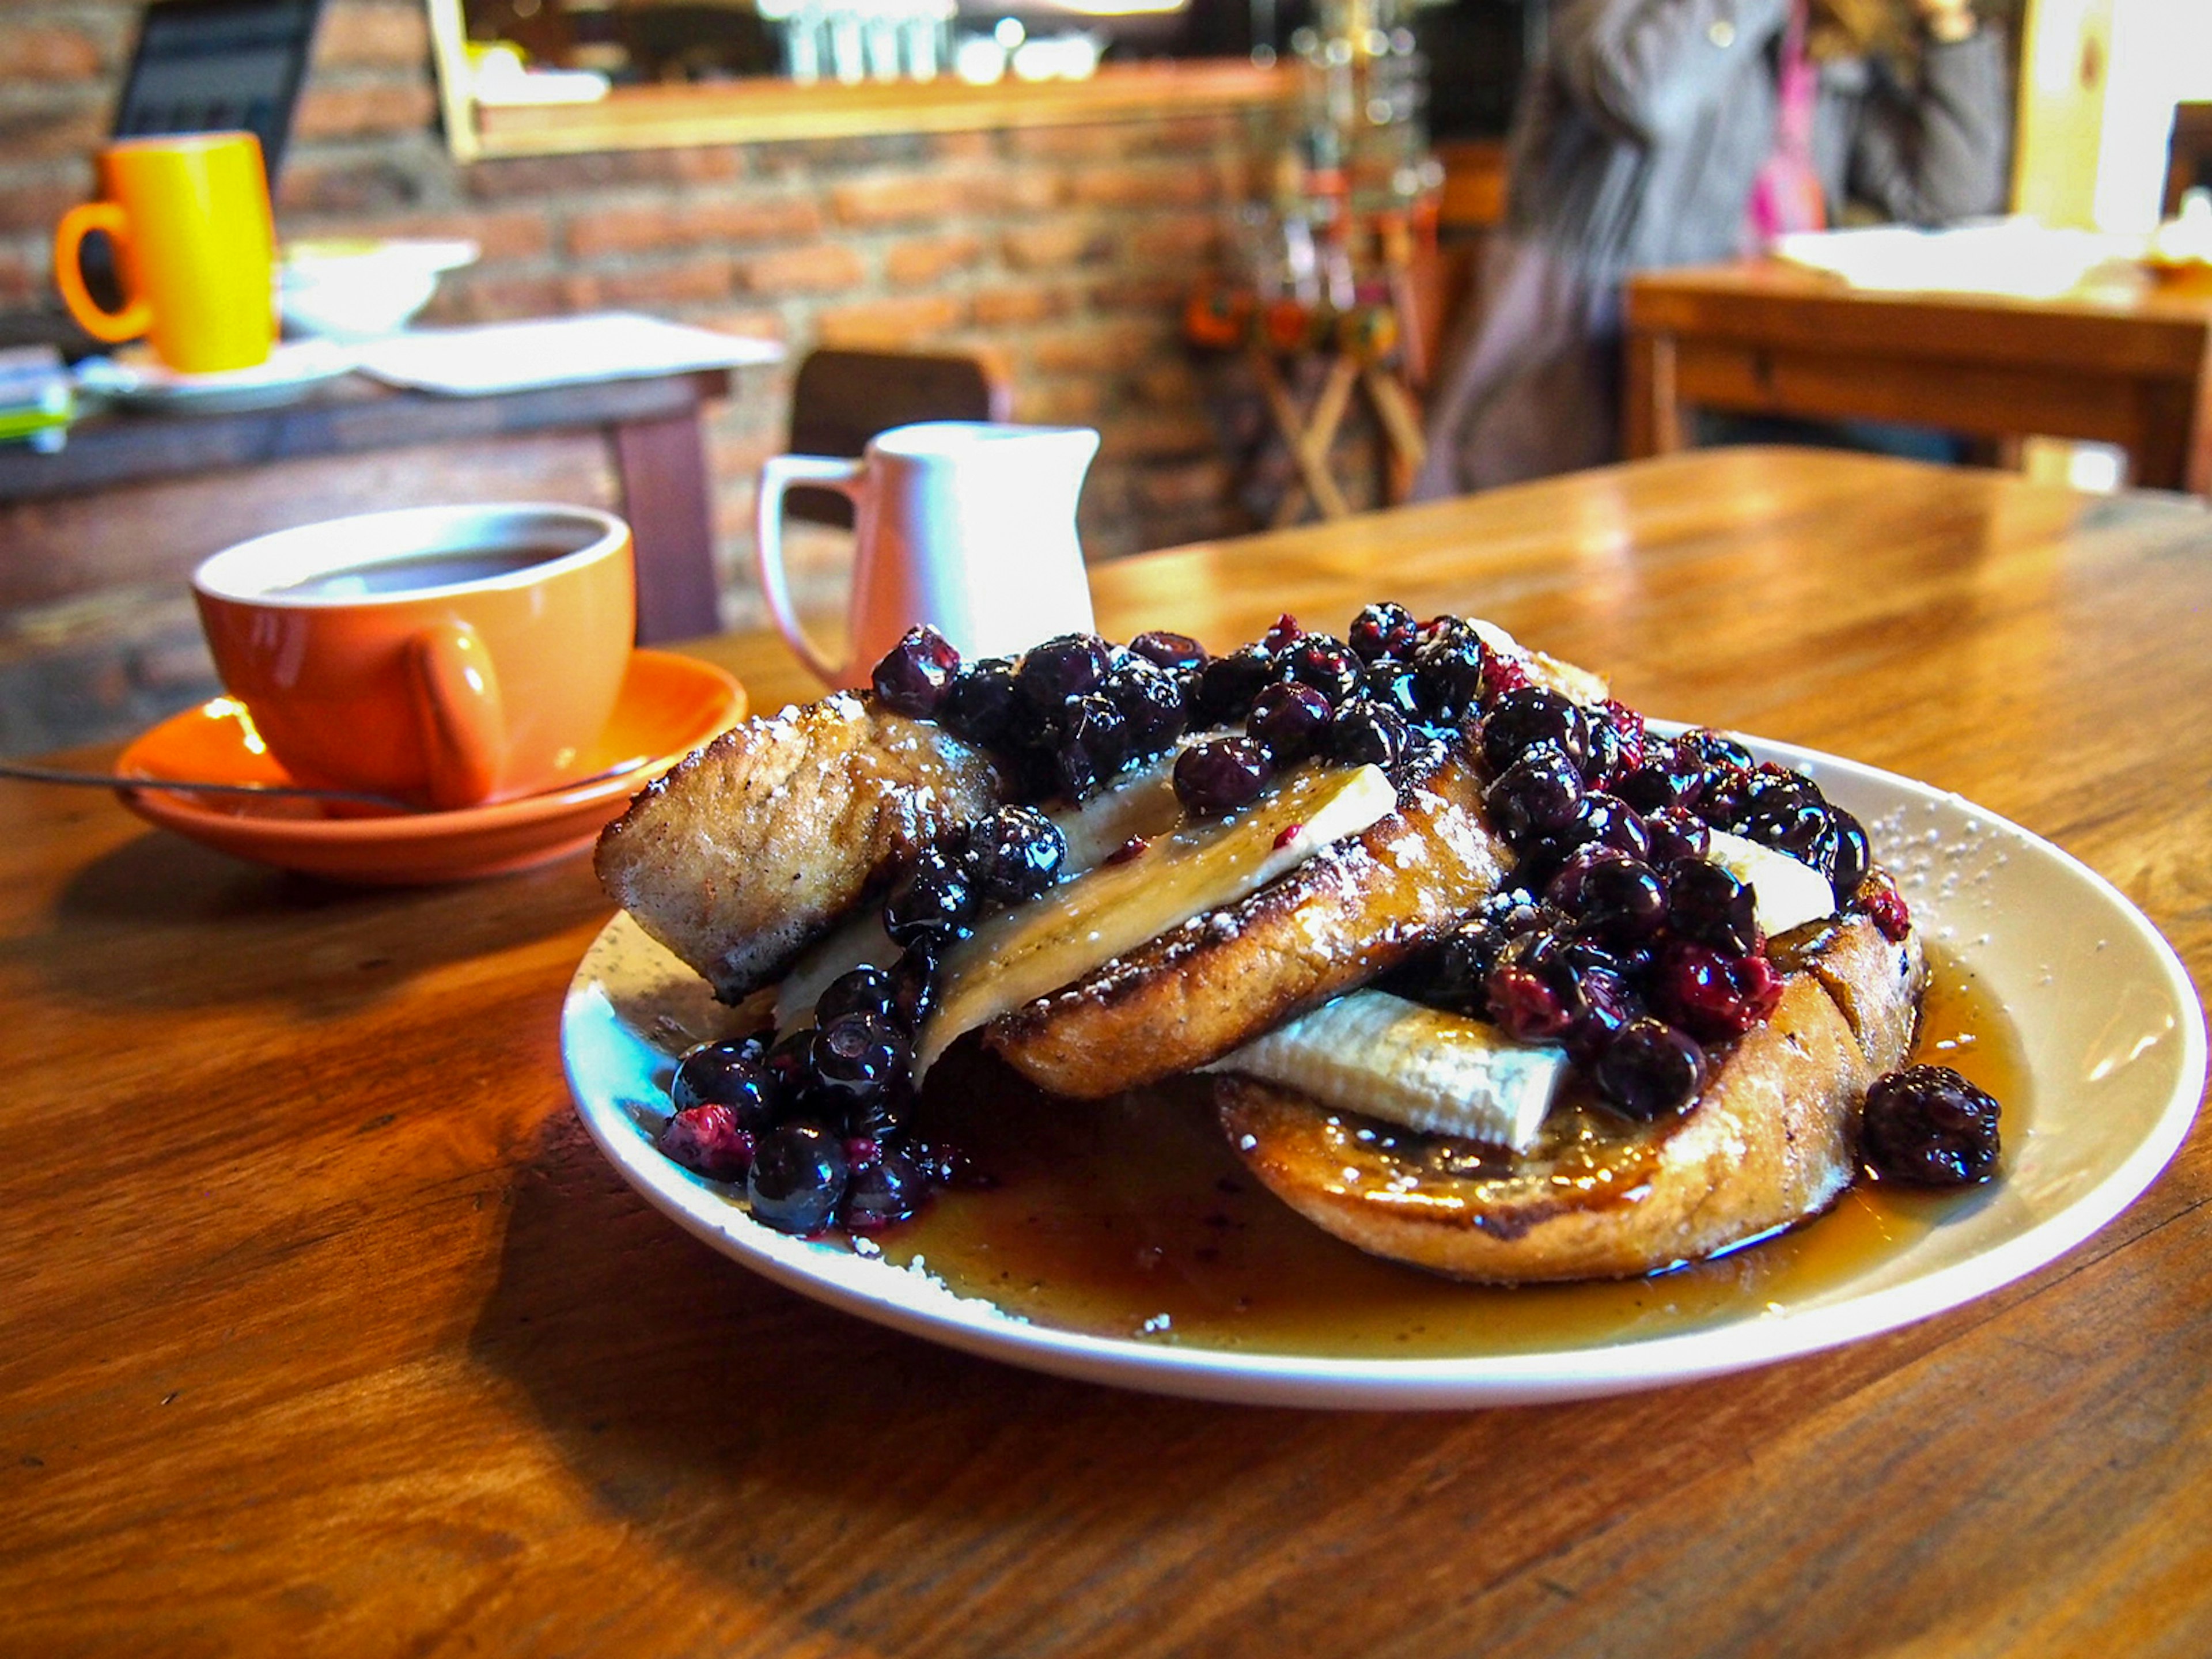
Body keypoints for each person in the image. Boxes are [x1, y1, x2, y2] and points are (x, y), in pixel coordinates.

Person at [1412, 0, 2011, 495]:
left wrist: (1948, 27)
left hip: (1749, 366)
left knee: (1928, 459)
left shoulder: (1820, 38)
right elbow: (1646, 96)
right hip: (1583, 355)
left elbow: (1947, 193)